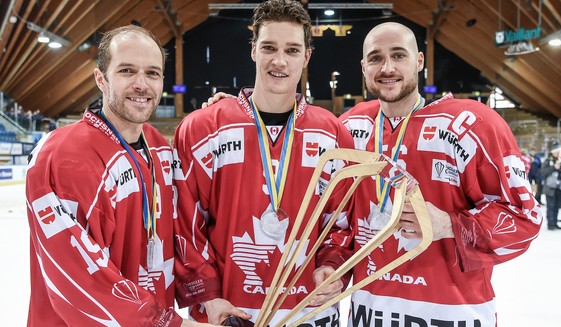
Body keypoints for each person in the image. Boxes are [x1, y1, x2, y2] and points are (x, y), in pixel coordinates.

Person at [339, 22, 542, 326]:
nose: (387, 67)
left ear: (419, 61)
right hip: (370, 313)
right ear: (364, 66)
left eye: (398, 55)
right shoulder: (349, 127)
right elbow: (333, 220)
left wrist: (449, 224)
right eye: (376, 58)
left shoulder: (472, 125)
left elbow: (525, 219)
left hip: (452, 314)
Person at [172, 1, 354, 326]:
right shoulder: (203, 128)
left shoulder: (332, 133)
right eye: (269, 47)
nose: (279, 61)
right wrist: (209, 297)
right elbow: (186, 223)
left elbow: (339, 222)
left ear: (307, 56)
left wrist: (332, 264)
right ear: (254, 49)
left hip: (307, 312)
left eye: (292, 50)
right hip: (228, 312)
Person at [25, 25, 213, 327]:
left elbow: (182, 230)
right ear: (101, 78)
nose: (142, 84)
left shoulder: (158, 147)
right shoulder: (62, 156)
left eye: (152, 73)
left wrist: (207, 297)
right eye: (127, 70)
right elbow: (82, 280)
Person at [542, 148, 561, 230]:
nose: (558, 154)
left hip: (559, 187)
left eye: (559, 152)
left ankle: (555, 223)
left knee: (557, 206)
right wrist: (554, 167)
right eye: (557, 152)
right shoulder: (547, 161)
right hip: (549, 188)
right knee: (550, 206)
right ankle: (550, 224)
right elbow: (543, 172)